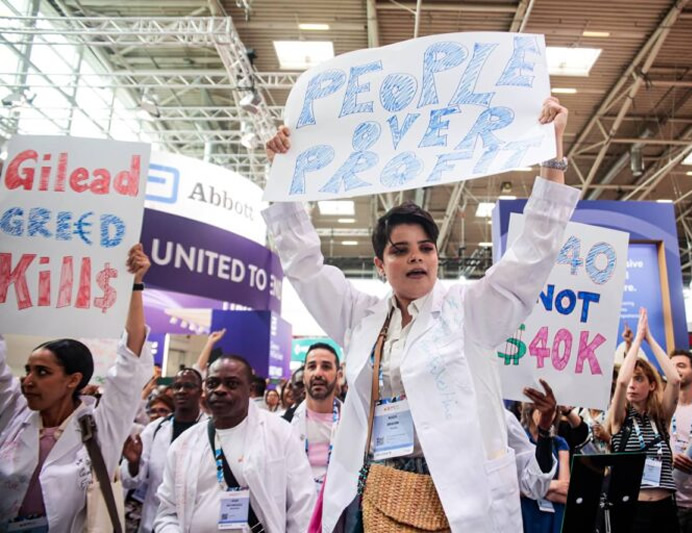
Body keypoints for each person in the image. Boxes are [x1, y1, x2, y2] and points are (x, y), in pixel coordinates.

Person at [263, 97, 579, 531]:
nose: (417, 258)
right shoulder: (361, 317)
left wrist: (552, 154)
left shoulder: (470, 310)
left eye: (426, 248)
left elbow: (533, 253)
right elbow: (304, 267)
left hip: (459, 498)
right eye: (400, 250)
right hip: (384, 493)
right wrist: (283, 175)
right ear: (380, 264)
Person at [0, 244, 153, 531]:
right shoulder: (13, 412)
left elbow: (131, 361)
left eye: (43, 372)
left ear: (73, 380)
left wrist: (135, 285)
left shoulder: (101, 427)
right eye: (28, 370)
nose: (28, 381)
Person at [153, 355, 315, 532]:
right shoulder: (184, 444)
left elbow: (302, 505)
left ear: (250, 390)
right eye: (213, 384)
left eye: (231, 384)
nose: (220, 390)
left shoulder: (280, 433)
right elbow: (167, 512)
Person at [609, 308, 681, 532]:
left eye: (638, 379)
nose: (631, 385)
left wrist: (649, 337)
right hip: (631, 509)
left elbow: (675, 379)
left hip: (665, 509)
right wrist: (637, 341)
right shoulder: (620, 419)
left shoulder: (660, 419)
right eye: (631, 378)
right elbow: (620, 382)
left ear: (651, 386)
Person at [121, 367, 205, 533]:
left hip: (197, 520)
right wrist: (134, 462)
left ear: (200, 392)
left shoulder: (211, 430)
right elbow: (131, 481)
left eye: (188, 386)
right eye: (177, 386)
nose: (182, 391)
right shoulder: (155, 429)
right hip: (154, 521)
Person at [291, 342, 342, 492]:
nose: (318, 373)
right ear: (304, 374)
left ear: (338, 375)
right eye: (312, 367)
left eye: (326, 367)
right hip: (297, 511)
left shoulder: (356, 425)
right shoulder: (284, 423)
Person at [669, 349, 692, 532]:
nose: (676, 369)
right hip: (667, 502)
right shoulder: (660, 409)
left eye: (682, 365)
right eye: (672, 365)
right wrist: (670, 457)